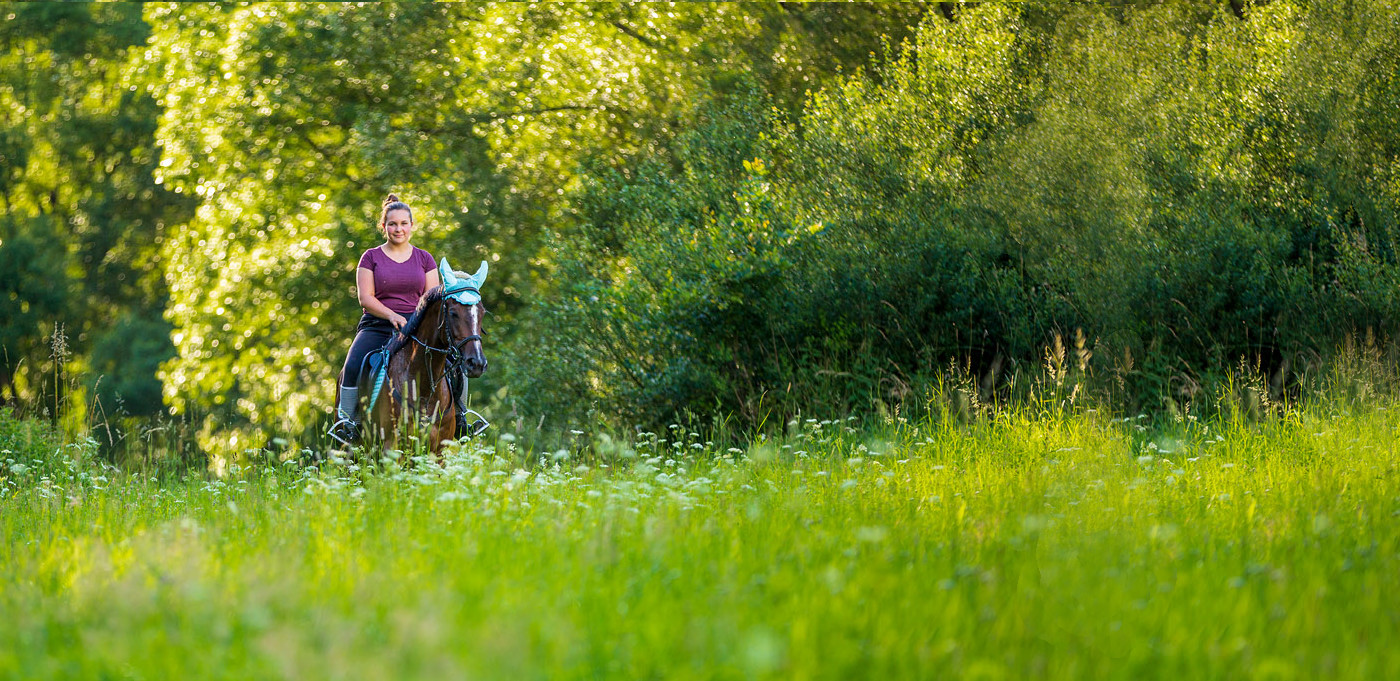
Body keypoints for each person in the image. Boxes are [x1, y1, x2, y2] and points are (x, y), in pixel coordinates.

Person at [329, 193, 439, 445]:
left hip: (417, 328)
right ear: (383, 227)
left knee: (455, 364)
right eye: (392, 224)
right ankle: (347, 424)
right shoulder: (370, 257)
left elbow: (431, 297)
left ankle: (462, 419)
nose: (398, 229)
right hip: (377, 325)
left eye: (403, 223)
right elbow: (365, 298)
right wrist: (391, 315)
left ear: (412, 225)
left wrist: (415, 322)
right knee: (353, 366)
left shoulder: (425, 259)